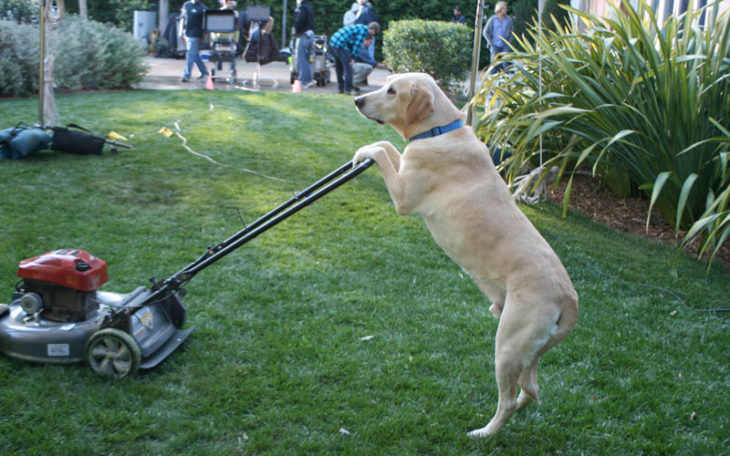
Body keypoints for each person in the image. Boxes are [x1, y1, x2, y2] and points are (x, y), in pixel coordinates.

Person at [329, 22, 380, 95]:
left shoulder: (360, 26)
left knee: (339, 68)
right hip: (341, 44)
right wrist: (352, 58)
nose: (373, 34)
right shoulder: (363, 32)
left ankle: (341, 88)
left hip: (333, 42)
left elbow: (350, 40)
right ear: (372, 29)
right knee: (349, 69)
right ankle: (348, 90)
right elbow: (356, 46)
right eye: (374, 32)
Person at [181, 0, 210, 83]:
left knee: (190, 54)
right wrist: (181, 33)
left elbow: (205, 24)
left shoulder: (203, 8)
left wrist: (203, 36)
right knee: (194, 55)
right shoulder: (186, 5)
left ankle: (186, 75)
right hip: (187, 34)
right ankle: (204, 72)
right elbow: (183, 19)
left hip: (196, 34)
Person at [482, 1, 513, 73]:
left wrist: (509, 42)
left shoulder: (508, 20)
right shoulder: (492, 19)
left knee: (505, 64)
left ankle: (505, 80)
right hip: (495, 44)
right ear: (499, 9)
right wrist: (490, 43)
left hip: (505, 45)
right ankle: (492, 80)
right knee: (494, 64)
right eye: (504, 8)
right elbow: (485, 32)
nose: (506, 10)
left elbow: (512, 32)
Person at [293, 0, 316, 88]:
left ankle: (304, 81)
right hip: (310, 34)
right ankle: (309, 79)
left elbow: (299, 20)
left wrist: (296, 30)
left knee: (302, 59)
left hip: (304, 35)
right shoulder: (308, 7)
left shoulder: (302, 7)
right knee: (307, 59)